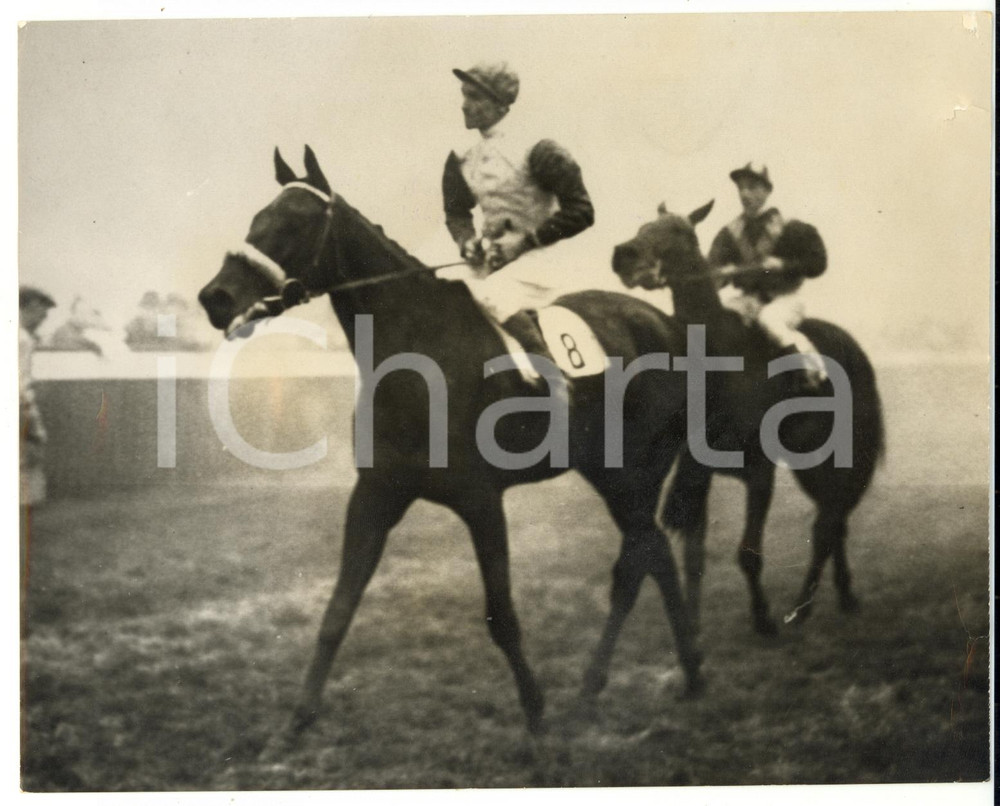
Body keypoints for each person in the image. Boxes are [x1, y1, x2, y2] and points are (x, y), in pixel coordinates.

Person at [441, 61, 594, 379]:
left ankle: (553, 376)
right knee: (439, 289)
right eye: (464, 95)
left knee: (490, 294)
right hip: (496, 261)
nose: (464, 104)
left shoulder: (539, 149)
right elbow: (456, 212)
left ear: (499, 103)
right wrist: (466, 242)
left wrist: (525, 242)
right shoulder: (462, 157)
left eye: (474, 97)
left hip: (543, 257)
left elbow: (581, 211)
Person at [707, 162, 828, 386]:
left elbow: (818, 263)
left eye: (752, 187)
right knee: (715, 322)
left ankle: (815, 373)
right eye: (741, 188)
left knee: (770, 321)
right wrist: (719, 275)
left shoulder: (792, 227)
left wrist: (783, 265)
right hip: (747, 300)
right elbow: (711, 270)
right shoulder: (729, 233)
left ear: (767, 190)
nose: (745, 194)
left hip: (784, 298)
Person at [20, 286, 56, 507]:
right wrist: (31, 418)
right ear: (28, 308)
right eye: (40, 313)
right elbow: (20, 383)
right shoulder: (21, 338)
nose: (42, 318)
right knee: (27, 454)